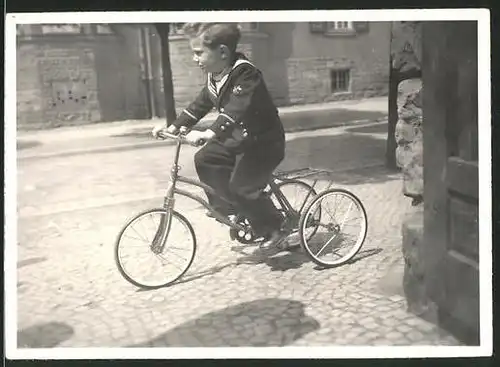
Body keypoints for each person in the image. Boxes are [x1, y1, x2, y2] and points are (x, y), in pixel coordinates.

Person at [152, 22, 286, 247]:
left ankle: (274, 227)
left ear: (222, 52)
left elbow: (237, 107)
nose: (195, 59)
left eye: (198, 53)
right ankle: (229, 208)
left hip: (264, 143)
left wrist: (210, 132)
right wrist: (173, 127)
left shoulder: (246, 73)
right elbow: (200, 104)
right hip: (240, 139)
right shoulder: (216, 75)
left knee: (243, 187)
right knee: (206, 158)